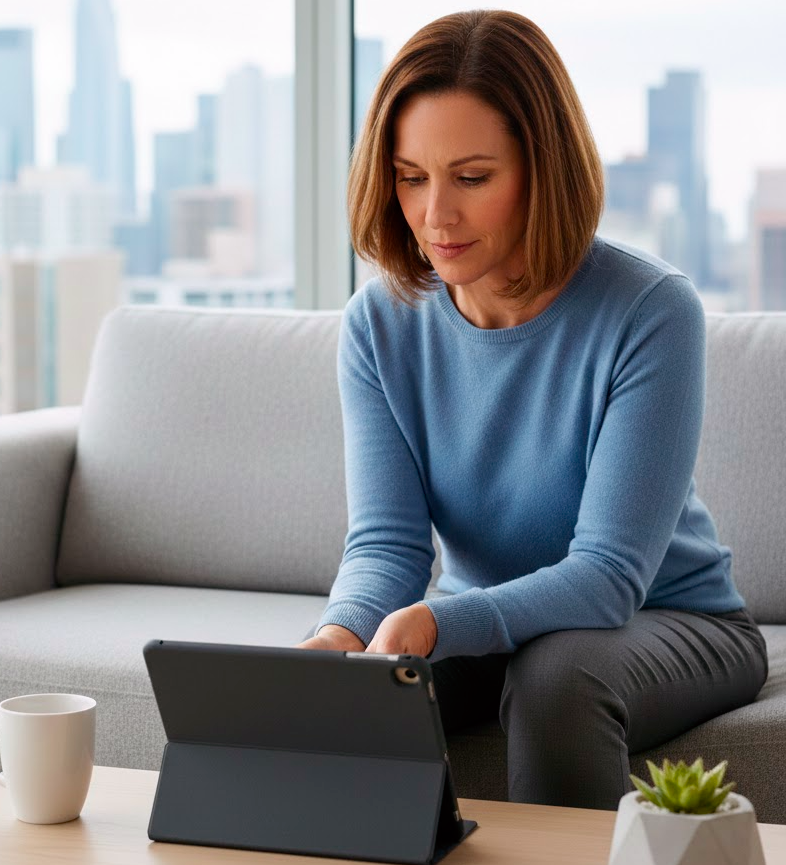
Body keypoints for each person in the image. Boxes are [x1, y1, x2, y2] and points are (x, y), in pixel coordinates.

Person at [296, 9, 768, 809]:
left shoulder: (649, 310)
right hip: (492, 617)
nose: (435, 215)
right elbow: (386, 544)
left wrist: (440, 625)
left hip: (674, 619)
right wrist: (337, 638)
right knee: (351, 695)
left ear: (541, 170)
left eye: (471, 178)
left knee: (555, 679)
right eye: (412, 176)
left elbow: (609, 576)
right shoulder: (378, 324)